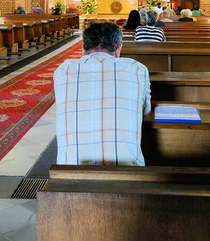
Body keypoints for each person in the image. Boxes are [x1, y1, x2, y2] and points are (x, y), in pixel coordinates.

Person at [53, 20, 151, 165]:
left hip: (70, 174)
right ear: (118, 48)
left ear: (83, 49)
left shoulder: (63, 70)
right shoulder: (137, 69)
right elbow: (145, 111)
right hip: (128, 174)